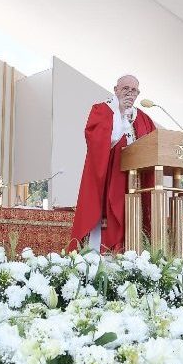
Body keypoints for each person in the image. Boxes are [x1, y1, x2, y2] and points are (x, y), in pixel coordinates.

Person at [69, 75, 156, 252]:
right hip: (111, 177)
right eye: (125, 89)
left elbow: (154, 146)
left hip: (135, 181)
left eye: (134, 90)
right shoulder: (102, 110)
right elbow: (96, 142)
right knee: (111, 215)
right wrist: (121, 117)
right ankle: (104, 251)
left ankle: (133, 251)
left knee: (132, 216)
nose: (130, 94)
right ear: (115, 89)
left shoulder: (143, 118)